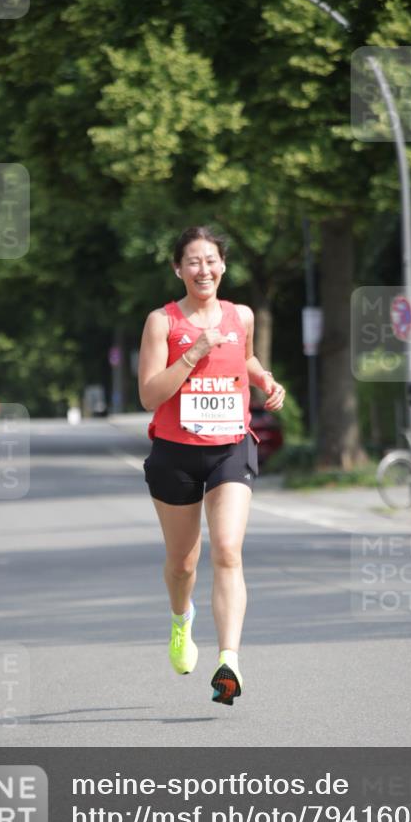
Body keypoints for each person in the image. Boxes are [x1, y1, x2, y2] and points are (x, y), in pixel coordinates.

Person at [138, 226, 286, 705]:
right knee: (183, 564)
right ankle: (182, 619)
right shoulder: (162, 322)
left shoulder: (241, 315)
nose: (203, 269)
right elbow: (149, 395)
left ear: (223, 265)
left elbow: (247, 358)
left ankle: (229, 662)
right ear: (177, 269)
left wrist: (265, 380)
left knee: (227, 549)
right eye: (193, 262)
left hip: (230, 447)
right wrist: (195, 351)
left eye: (211, 260)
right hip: (175, 452)